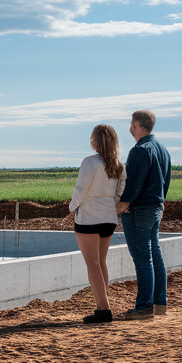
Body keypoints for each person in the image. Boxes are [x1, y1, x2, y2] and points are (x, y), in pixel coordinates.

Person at [117, 110, 171, 320]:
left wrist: (121, 206)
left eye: (132, 124)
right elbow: (164, 183)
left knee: (142, 257)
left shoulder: (140, 150)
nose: (130, 128)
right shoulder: (163, 150)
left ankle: (144, 306)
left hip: (139, 210)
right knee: (154, 254)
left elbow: (133, 185)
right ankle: (159, 303)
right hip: (156, 208)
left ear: (139, 125)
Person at [68, 124, 126, 324]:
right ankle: (103, 304)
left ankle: (103, 309)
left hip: (89, 217)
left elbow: (81, 189)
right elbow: (119, 193)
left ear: (96, 140)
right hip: (109, 218)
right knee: (101, 262)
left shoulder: (89, 162)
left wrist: (72, 207)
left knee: (92, 263)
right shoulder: (119, 165)